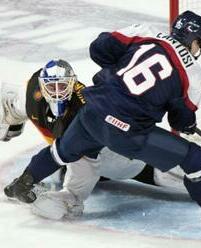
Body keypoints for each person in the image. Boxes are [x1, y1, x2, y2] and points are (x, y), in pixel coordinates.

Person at [3, 11, 201, 229]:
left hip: (92, 111)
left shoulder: (145, 32)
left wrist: (117, 76)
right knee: (195, 158)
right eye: (200, 44)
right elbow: (180, 121)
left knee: (61, 151)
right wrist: (185, 121)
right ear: (195, 41)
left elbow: (99, 48)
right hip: (127, 133)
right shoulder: (194, 74)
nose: (198, 50)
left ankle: (23, 183)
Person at [1, 59, 148, 219]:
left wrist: (69, 198)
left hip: (118, 158)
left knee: (65, 204)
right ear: (42, 85)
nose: (57, 92)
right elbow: (8, 103)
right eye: (51, 86)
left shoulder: (86, 110)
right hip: (79, 153)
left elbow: (85, 161)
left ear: (72, 84)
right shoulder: (30, 92)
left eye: (62, 86)